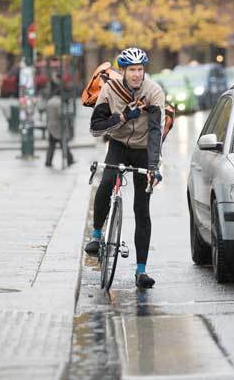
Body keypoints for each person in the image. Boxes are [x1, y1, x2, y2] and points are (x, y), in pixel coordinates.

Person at [84, 47, 165, 289]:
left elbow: (154, 132)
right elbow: (95, 128)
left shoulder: (154, 92)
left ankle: (141, 271)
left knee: (142, 209)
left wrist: (153, 166)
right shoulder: (110, 89)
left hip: (142, 150)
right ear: (123, 71)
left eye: (140, 69)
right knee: (107, 182)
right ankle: (97, 235)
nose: (137, 74)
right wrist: (121, 118)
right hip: (118, 145)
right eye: (132, 70)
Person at [45, 82, 75, 168]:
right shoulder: (59, 103)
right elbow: (61, 114)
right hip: (59, 127)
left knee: (51, 145)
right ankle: (70, 159)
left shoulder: (49, 101)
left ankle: (48, 161)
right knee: (63, 144)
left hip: (51, 126)